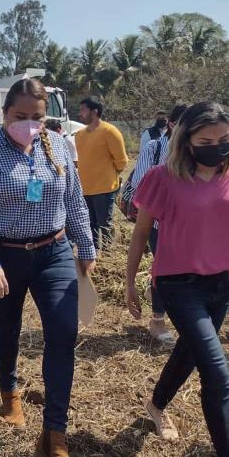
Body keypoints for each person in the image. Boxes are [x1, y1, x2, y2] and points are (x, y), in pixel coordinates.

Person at [0, 79, 96, 456]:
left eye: (37, 117)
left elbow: (74, 199)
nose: (29, 124)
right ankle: (10, 393)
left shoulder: (56, 144)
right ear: (5, 113)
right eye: (21, 116)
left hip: (53, 252)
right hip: (4, 257)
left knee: (64, 332)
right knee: (8, 328)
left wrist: (85, 245)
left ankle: (55, 432)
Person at [125, 102, 229, 453]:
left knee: (188, 352)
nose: (217, 146)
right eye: (207, 140)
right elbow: (140, 233)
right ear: (187, 141)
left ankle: (156, 405)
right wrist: (130, 284)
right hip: (179, 285)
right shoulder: (162, 177)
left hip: (221, 283)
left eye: (225, 138)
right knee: (218, 374)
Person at [130, 103, 188, 343]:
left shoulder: (198, 154)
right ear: (172, 124)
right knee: (163, 268)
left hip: (189, 225)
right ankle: (157, 319)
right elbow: (139, 185)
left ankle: (161, 297)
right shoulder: (154, 148)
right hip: (158, 223)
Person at [75, 96, 129, 250]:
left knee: (104, 224)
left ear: (95, 111)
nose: (80, 113)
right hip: (84, 189)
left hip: (105, 188)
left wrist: (111, 175)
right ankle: (92, 254)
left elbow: (122, 161)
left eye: (83, 110)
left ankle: (107, 255)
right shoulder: (79, 135)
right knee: (89, 225)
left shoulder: (110, 131)